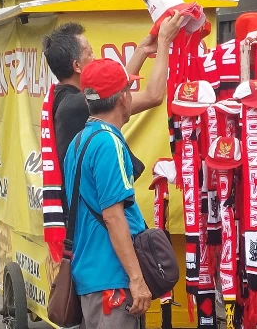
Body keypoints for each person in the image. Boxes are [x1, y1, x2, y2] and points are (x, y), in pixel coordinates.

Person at [63, 58, 152, 328]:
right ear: (123, 98)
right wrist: (136, 279)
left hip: (92, 277)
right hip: (113, 280)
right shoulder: (108, 142)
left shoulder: (78, 141)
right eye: (129, 90)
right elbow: (113, 217)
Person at [43, 11, 183, 168]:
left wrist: (143, 50)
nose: (95, 58)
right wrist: (164, 41)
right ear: (77, 66)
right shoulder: (79, 104)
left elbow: (115, 86)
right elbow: (153, 96)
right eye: (90, 53)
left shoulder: (63, 97)